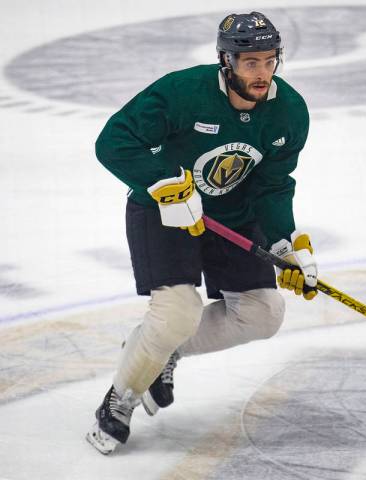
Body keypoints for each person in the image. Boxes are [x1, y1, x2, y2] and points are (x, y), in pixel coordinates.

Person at [86, 11, 318, 455]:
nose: (262, 73)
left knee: (263, 313)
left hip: (229, 215)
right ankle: (120, 399)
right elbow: (114, 141)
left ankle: (159, 350)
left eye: (270, 61)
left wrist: (284, 242)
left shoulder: (289, 112)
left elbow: (272, 185)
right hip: (164, 211)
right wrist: (162, 183)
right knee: (176, 313)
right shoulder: (181, 93)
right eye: (250, 62)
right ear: (225, 61)